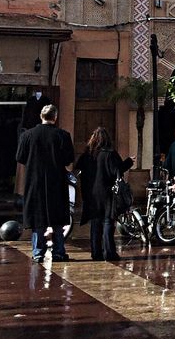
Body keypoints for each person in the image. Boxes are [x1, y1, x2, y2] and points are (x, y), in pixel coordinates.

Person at [15, 104, 75, 263]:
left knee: (37, 218)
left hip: (35, 181)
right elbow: (69, 159)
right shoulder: (63, 135)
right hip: (56, 180)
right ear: (55, 117)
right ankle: (59, 252)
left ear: (41, 116)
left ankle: (38, 252)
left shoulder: (27, 135)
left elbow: (20, 157)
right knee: (58, 219)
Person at [85, 127, 132, 261]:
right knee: (107, 222)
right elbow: (116, 171)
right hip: (108, 192)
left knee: (95, 223)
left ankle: (96, 252)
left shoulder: (89, 154)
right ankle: (109, 252)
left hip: (93, 193)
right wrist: (128, 162)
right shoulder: (110, 154)